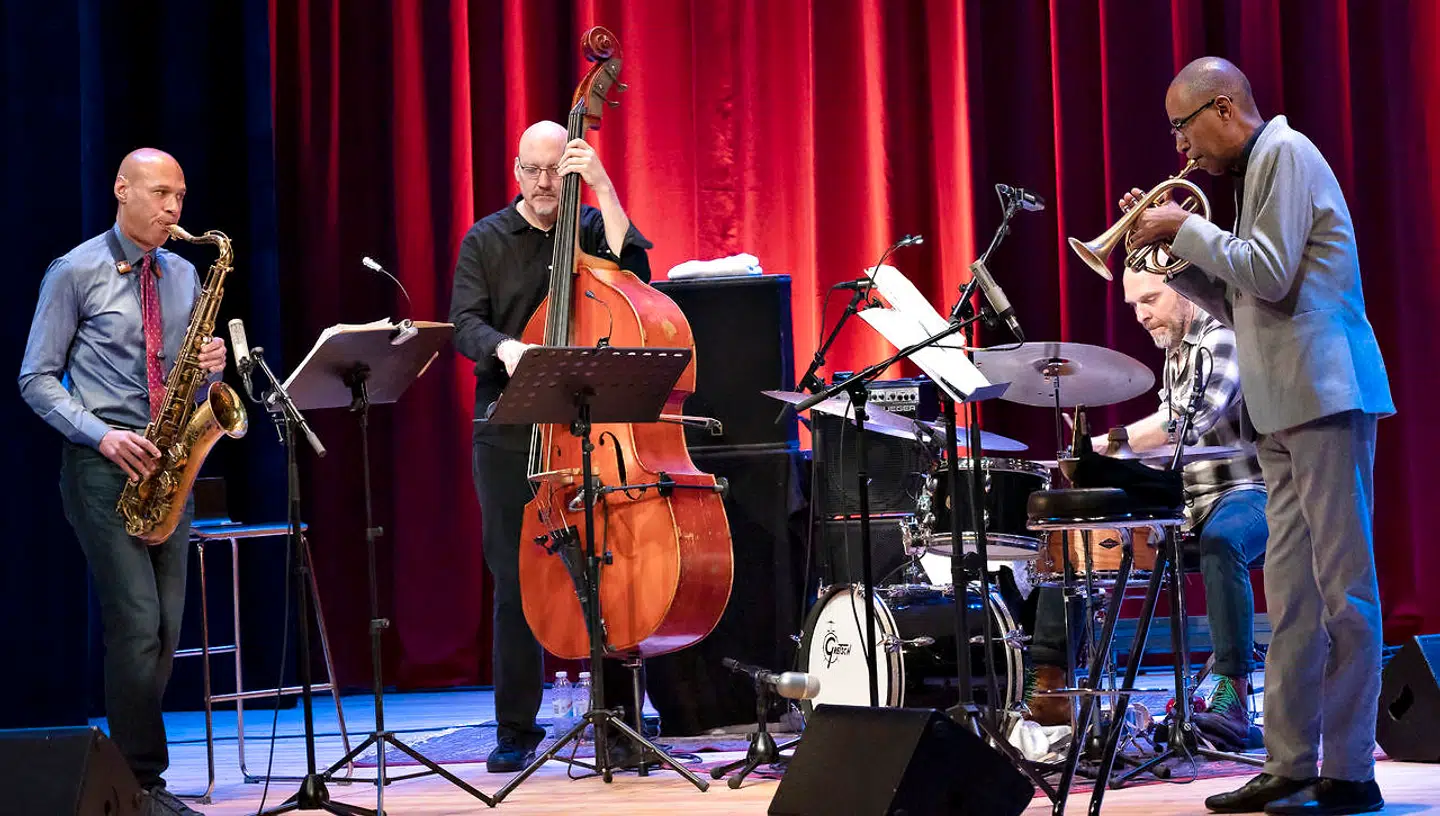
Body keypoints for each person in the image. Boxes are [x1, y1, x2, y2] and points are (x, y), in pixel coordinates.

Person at [1128, 57, 1394, 815]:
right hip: (1279, 403)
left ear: (1222, 106)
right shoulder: (1250, 177)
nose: (1184, 152)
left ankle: (1348, 768)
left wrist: (1189, 224)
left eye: (1184, 128)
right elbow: (1241, 298)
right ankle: (1289, 761)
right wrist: (1174, 260)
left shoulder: (1286, 152)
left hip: (1324, 391)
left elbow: (1270, 274)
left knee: (1345, 589)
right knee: (1292, 596)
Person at [19, 148, 227, 816]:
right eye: (162, 194)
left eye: (181, 197)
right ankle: (144, 783)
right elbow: (35, 377)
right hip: (103, 462)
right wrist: (100, 433)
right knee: (135, 620)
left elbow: (196, 379)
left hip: (169, 463)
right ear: (122, 190)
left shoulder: (185, 273)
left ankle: (134, 773)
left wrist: (213, 369)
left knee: (165, 627)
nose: (173, 210)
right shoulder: (74, 271)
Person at [450, 121, 653, 773]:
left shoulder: (589, 227)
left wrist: (602, 185)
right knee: (514, 581)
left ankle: (617, 719)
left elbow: (638, 268)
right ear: (516, 172)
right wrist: (512, 350)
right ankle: (515, 728)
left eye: (555, 173)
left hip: (586, 427)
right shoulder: (484, 240)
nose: (544, 185)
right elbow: (464, 323)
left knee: (606, 566)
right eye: (533, 172)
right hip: (508, 430)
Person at [1028, 268, 1268, 754]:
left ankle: (1232, 692)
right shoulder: (1176, 355)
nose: (1140, 315)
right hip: (1187, 503)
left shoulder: (1221, 338)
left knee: (1223, 540)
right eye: (1133, 305)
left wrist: (1107, 443)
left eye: (1150, 299)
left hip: (1251, 494)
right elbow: (1166, 452)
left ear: (1184, 290)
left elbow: (1188, 424)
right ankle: (1051, 684)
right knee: (1078, 531)